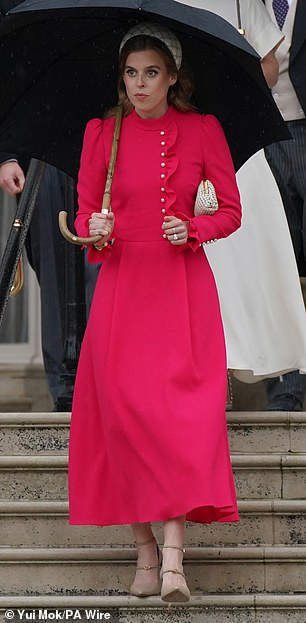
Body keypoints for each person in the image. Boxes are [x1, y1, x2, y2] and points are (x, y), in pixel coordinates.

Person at [68, 22, 241, 602]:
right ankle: (145, 551)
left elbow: (231, 212)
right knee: (121, 416)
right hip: (122, 288)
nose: (139, 84)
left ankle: (171, 560)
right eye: (130, 73)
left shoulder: (201, 130)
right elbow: (86, 215)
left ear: (173, 77)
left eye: (150, 73)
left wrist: (192, 228)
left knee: (177, 420)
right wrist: (98, 229)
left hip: (182, 286)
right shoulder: (102, 133)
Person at [175, 0, 306, 409]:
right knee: (200, 272)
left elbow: (269, 63)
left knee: (256, 265)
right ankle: (211, 382)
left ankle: (283, 388)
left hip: (239, 143)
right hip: (179, 145)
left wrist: (226, 83)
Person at [262, 0, 306, 411]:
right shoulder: (239, 6)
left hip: (303, 128)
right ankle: (287, 392)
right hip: (258, 138)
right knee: (277, 262)